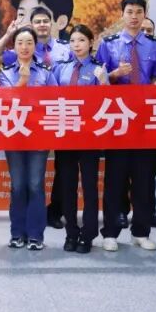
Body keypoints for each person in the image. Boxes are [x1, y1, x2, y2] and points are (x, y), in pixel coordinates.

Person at [96, 0, 156, 252]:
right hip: (118, 119)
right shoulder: (109, 44)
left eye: (138, 12)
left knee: (144, 180)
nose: (134, 17)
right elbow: (98, 81)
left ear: (145, 14)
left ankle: (141, 232)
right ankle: (110, 232)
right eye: (130, 12)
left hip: (145, 120)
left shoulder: (155, 44)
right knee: (115, 179)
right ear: (122, 15)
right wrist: (114, 74)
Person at [50, 25, 108, 253]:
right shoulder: (60, 68)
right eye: (73, 40)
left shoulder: (98, 69)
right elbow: (49, 99)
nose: (76, 44)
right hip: (65, 136)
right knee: (67, 186)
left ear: (91, 43)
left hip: (89, 137)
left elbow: (107, 104)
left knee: (90, 187)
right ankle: (71, 233)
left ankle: (88, 234)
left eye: (81, 40)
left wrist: (104, 82)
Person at [0, 27, 54, 250]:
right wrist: (22, 81)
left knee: (35, 184)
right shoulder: (5, 72)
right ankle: (17, 233)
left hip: (39, 136)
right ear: (13, 46)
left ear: (35, 46)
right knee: (18, 185)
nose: (24, 47)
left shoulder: (46, 72)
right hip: (14, 136)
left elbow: (56, 101)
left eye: (29, 42)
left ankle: (36, 235)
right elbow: (5, 102)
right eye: (20, 42)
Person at [0, 6, 70, 69]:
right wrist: (8, 35)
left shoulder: (67, 47)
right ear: (31, 25)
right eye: (37, 22)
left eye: (45, 21)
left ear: (51, 24)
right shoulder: (24, 50)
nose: (42, 24)